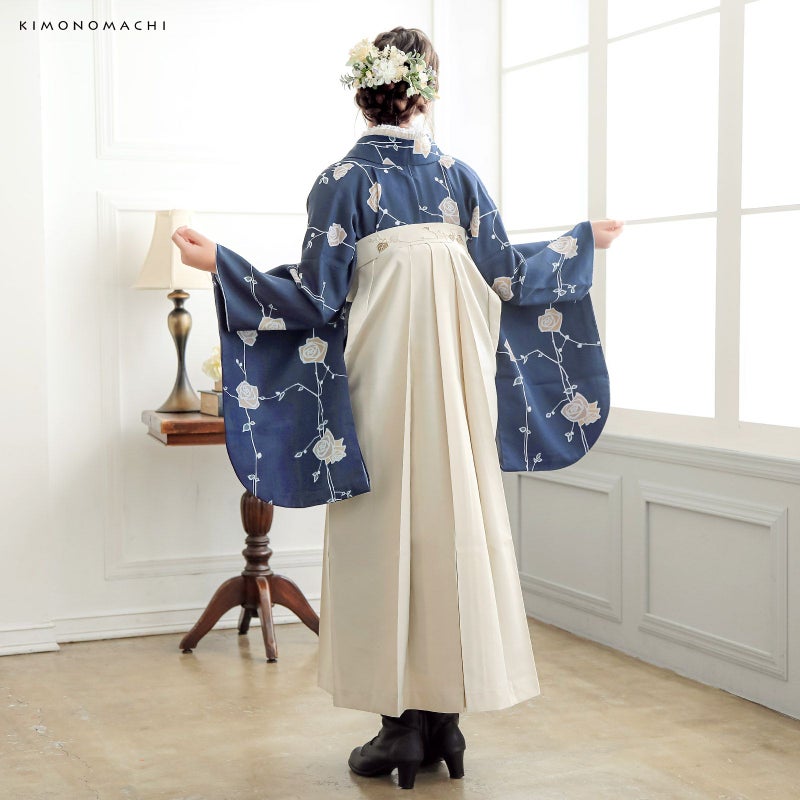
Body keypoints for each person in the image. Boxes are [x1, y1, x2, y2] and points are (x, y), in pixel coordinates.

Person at [172, 26, 624, 791]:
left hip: (379, 381)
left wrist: (223, 263)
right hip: (457, 388)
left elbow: (314, 297)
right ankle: (445, 723)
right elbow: (510, 277)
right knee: (454, 529)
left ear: (362, 92)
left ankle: (400, 729)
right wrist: (582, 242)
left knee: (383, 532)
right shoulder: (460, 177)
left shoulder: (341, 180)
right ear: (427, 91)